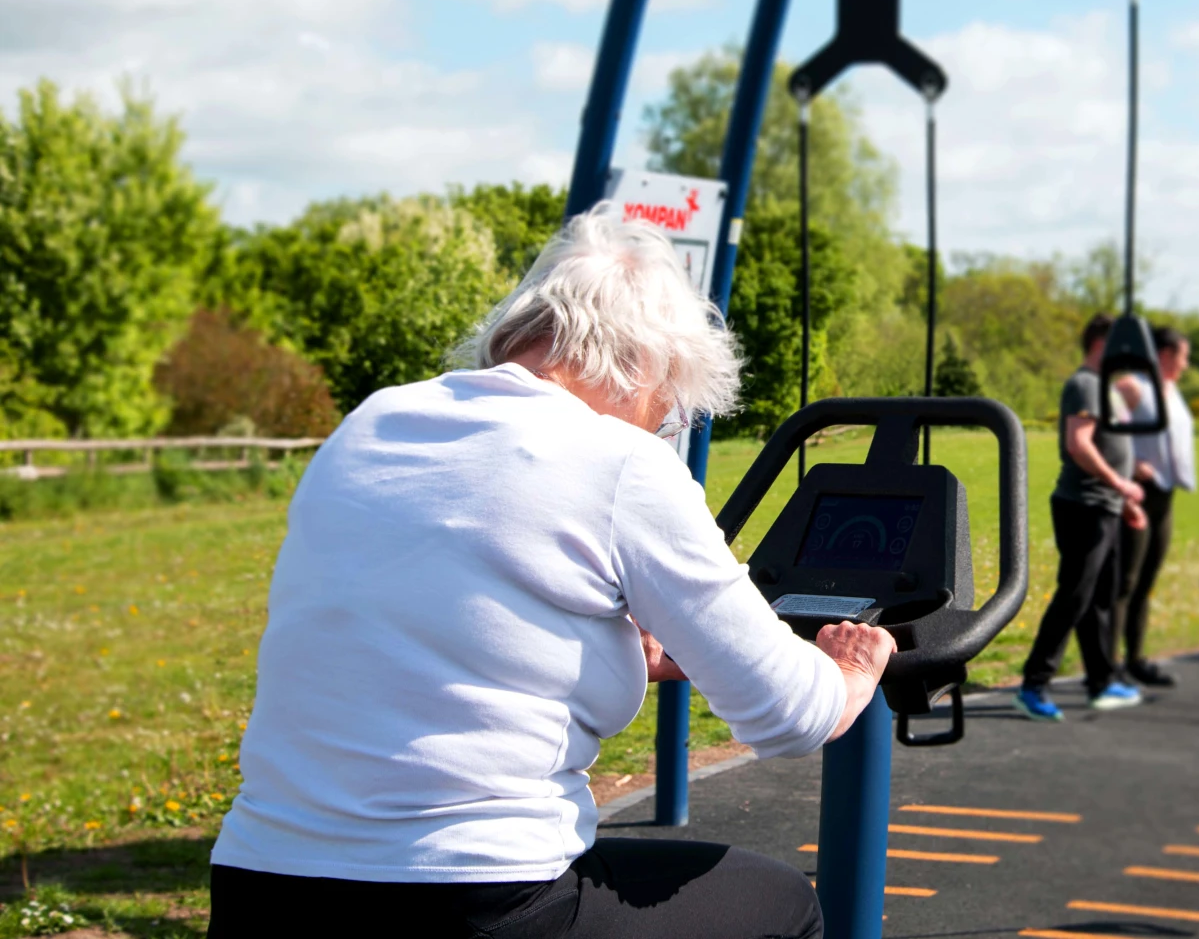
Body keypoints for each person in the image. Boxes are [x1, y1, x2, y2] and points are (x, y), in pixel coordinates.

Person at [209, 207, 895, 939]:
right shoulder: (621, 462)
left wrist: (619, 653)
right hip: (467, 901)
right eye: (671, 411)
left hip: (262, 887)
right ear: (647, 369)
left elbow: (434, 625)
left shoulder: (371, 424)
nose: (662, 428)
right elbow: (790, 714)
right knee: (780, 905)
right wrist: (850, 672)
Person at [1015, 314, 1150, 722]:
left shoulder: (1105, 387)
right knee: (1075, 595)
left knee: (1099, 599)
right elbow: (1079, 445)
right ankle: (1033, 685)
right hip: (1083, 505)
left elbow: (1108, 448)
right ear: (1101, 343)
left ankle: (1101, 681)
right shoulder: (1085, 385)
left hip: (1104, 506)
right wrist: (1121, 485)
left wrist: (1123, 497)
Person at [1115, 325, 1196, 688]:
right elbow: (1100, 433)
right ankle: (1108, 664)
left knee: (1146, 580)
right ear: (1164, 354)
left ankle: (1135, 659)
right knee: (1125, 581)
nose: (1186, 364)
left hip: (1166, 497)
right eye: (1183, 356)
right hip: (1137, 495)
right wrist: (1131, 465)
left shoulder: (1172, 390)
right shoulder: (1131, 387)